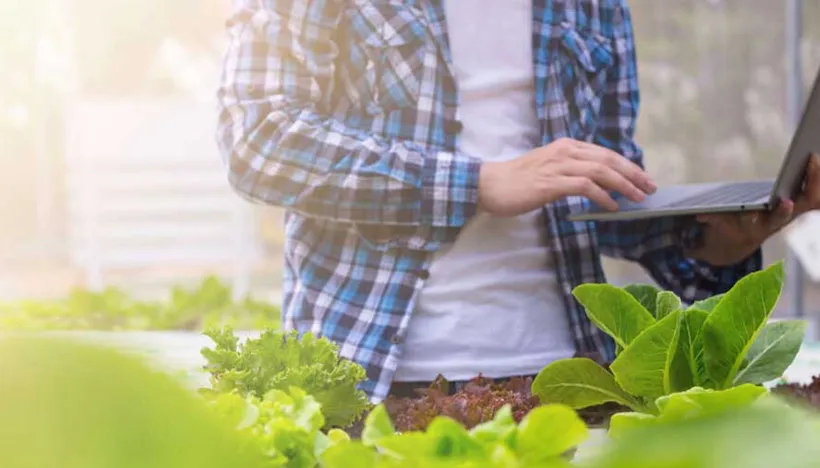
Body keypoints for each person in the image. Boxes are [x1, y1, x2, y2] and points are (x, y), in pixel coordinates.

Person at [215, 0, 820, 403]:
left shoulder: (594, 6)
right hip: (376, 377)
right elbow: (259, 141)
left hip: (571, 381)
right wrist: (476, 183)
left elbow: (600, 193)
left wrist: (719, 240)